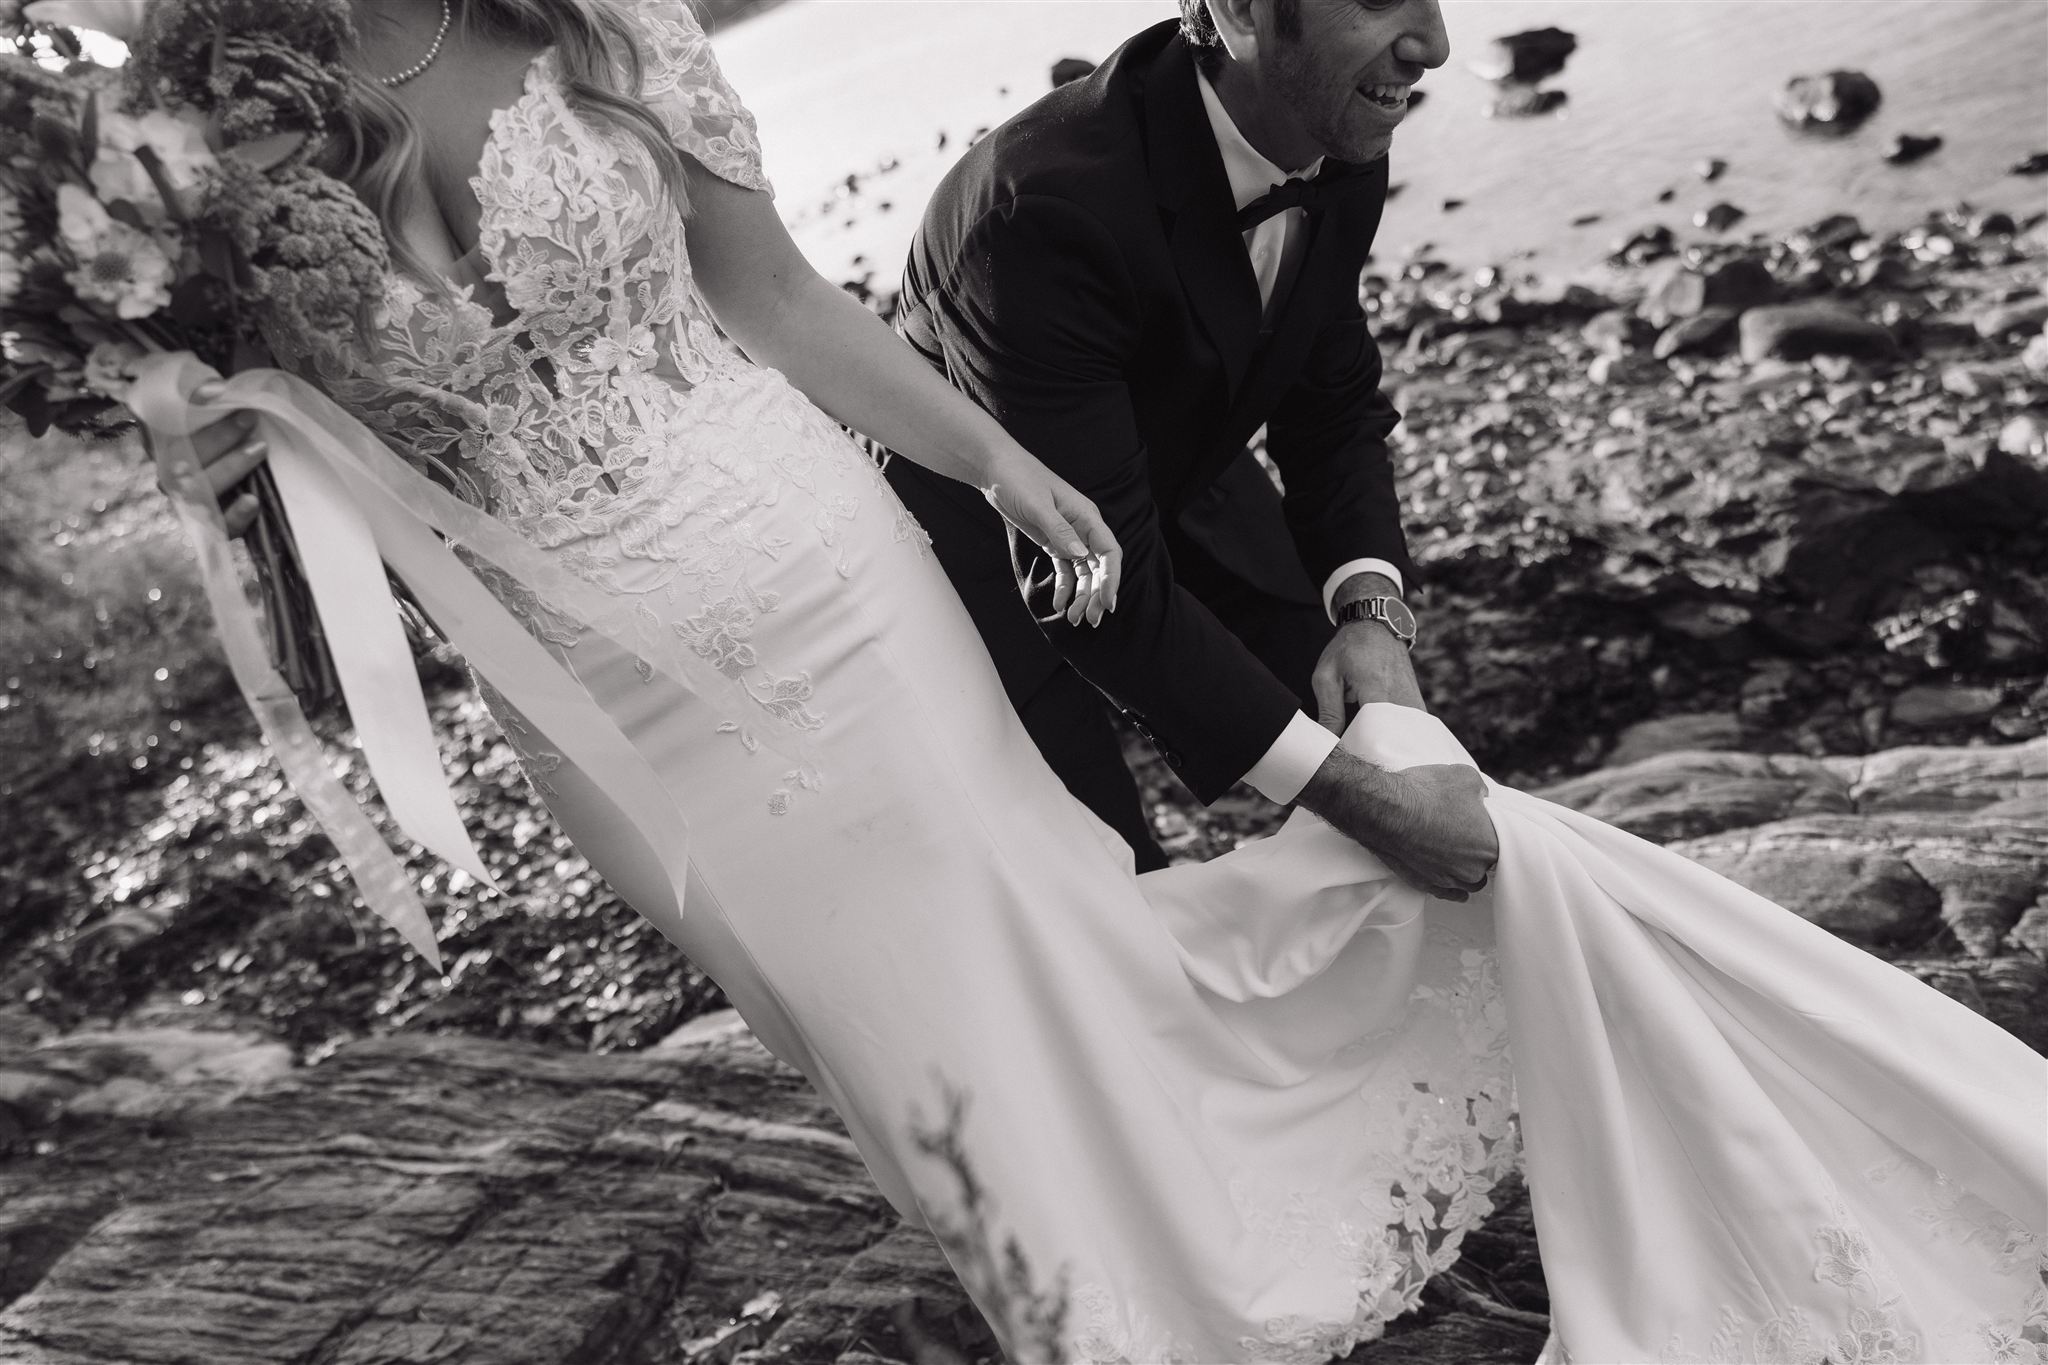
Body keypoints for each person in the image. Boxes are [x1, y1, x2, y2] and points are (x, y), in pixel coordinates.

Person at [149, 1, 2044, 1361]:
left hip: (819, 571)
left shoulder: (611, 34)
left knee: (1035, 925)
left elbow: (785, 304)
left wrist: (999, 465)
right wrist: (211, 442)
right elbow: (300, 448)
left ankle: (1130, 1293)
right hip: (586, 672)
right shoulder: (219, 131)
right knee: (848, 1011)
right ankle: (1065, 1271)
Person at [887, 0, 1440, 877]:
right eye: (1377, 1)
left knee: (1390, 744)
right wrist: (1344, 793)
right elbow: (1100, 581)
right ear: (1243, 12)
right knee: (1101, 879)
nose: (1433, 48)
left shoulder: (1336, 125)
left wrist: (1372, 614)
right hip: (982, 547)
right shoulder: (1039, 213)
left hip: (1187, 467)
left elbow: (1331, 406)